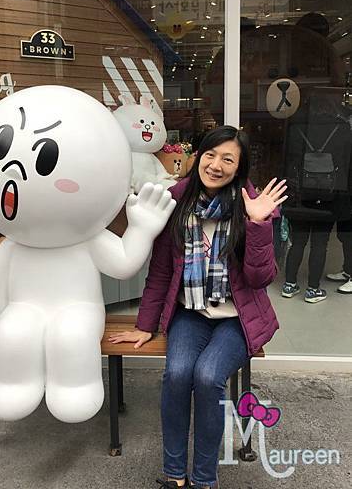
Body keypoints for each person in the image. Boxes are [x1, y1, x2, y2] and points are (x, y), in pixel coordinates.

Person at [109, 126, 285, 489]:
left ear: (239, 168)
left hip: (237, 319)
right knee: (176, 376)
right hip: (190, 314)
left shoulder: (253, 205)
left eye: (228, 159)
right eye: (210, 154)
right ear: (199, 156)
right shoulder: (176, 201)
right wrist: (145, 325)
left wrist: (256, 224)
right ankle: (175, 476)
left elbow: (260, 278)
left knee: (207, 377)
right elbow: (161, 272)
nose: (216, 165)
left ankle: (205, 480)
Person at [281, 96, 352, 303]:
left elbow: (287, 160)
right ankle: (313, 289)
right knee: (320, 244)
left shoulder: (294, 127)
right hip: (330, 194)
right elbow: (347, 163)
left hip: (300, 193)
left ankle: (289, 285)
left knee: (298, 241)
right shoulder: (342, 129)